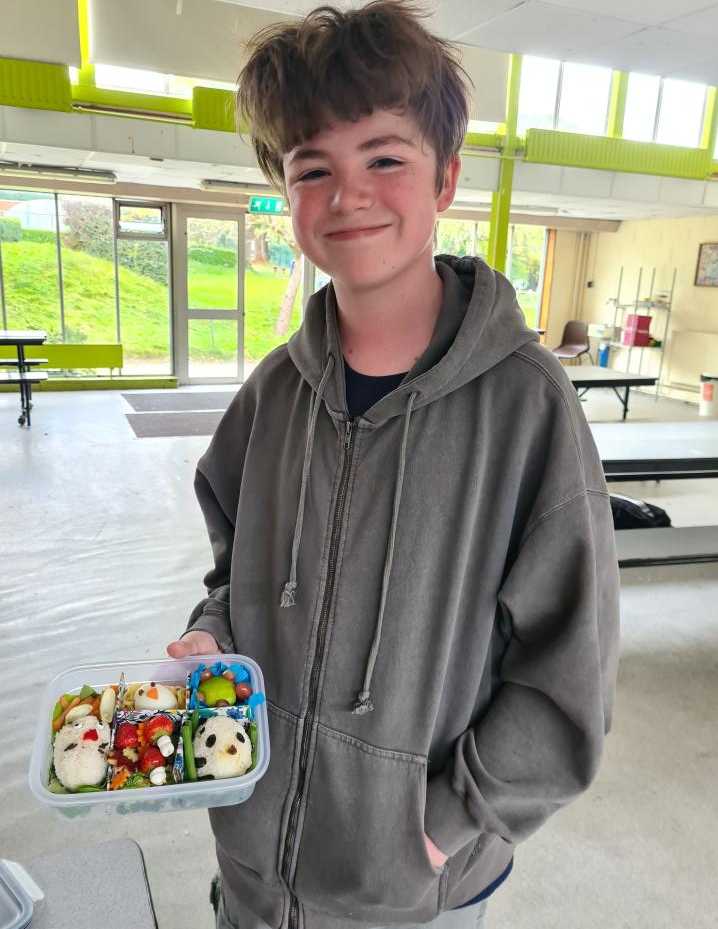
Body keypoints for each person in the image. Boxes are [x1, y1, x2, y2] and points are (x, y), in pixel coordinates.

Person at [166, 3, 620, 929]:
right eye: (313, 169)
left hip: (413, 888)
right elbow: (232, 574)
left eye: (384, 158)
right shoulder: (273, 394)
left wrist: (445, 824)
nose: (348, 196)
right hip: (254, 868)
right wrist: (212, 636)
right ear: (285, 190)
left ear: (446, 177)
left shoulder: (527, 408)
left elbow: (569, 671)